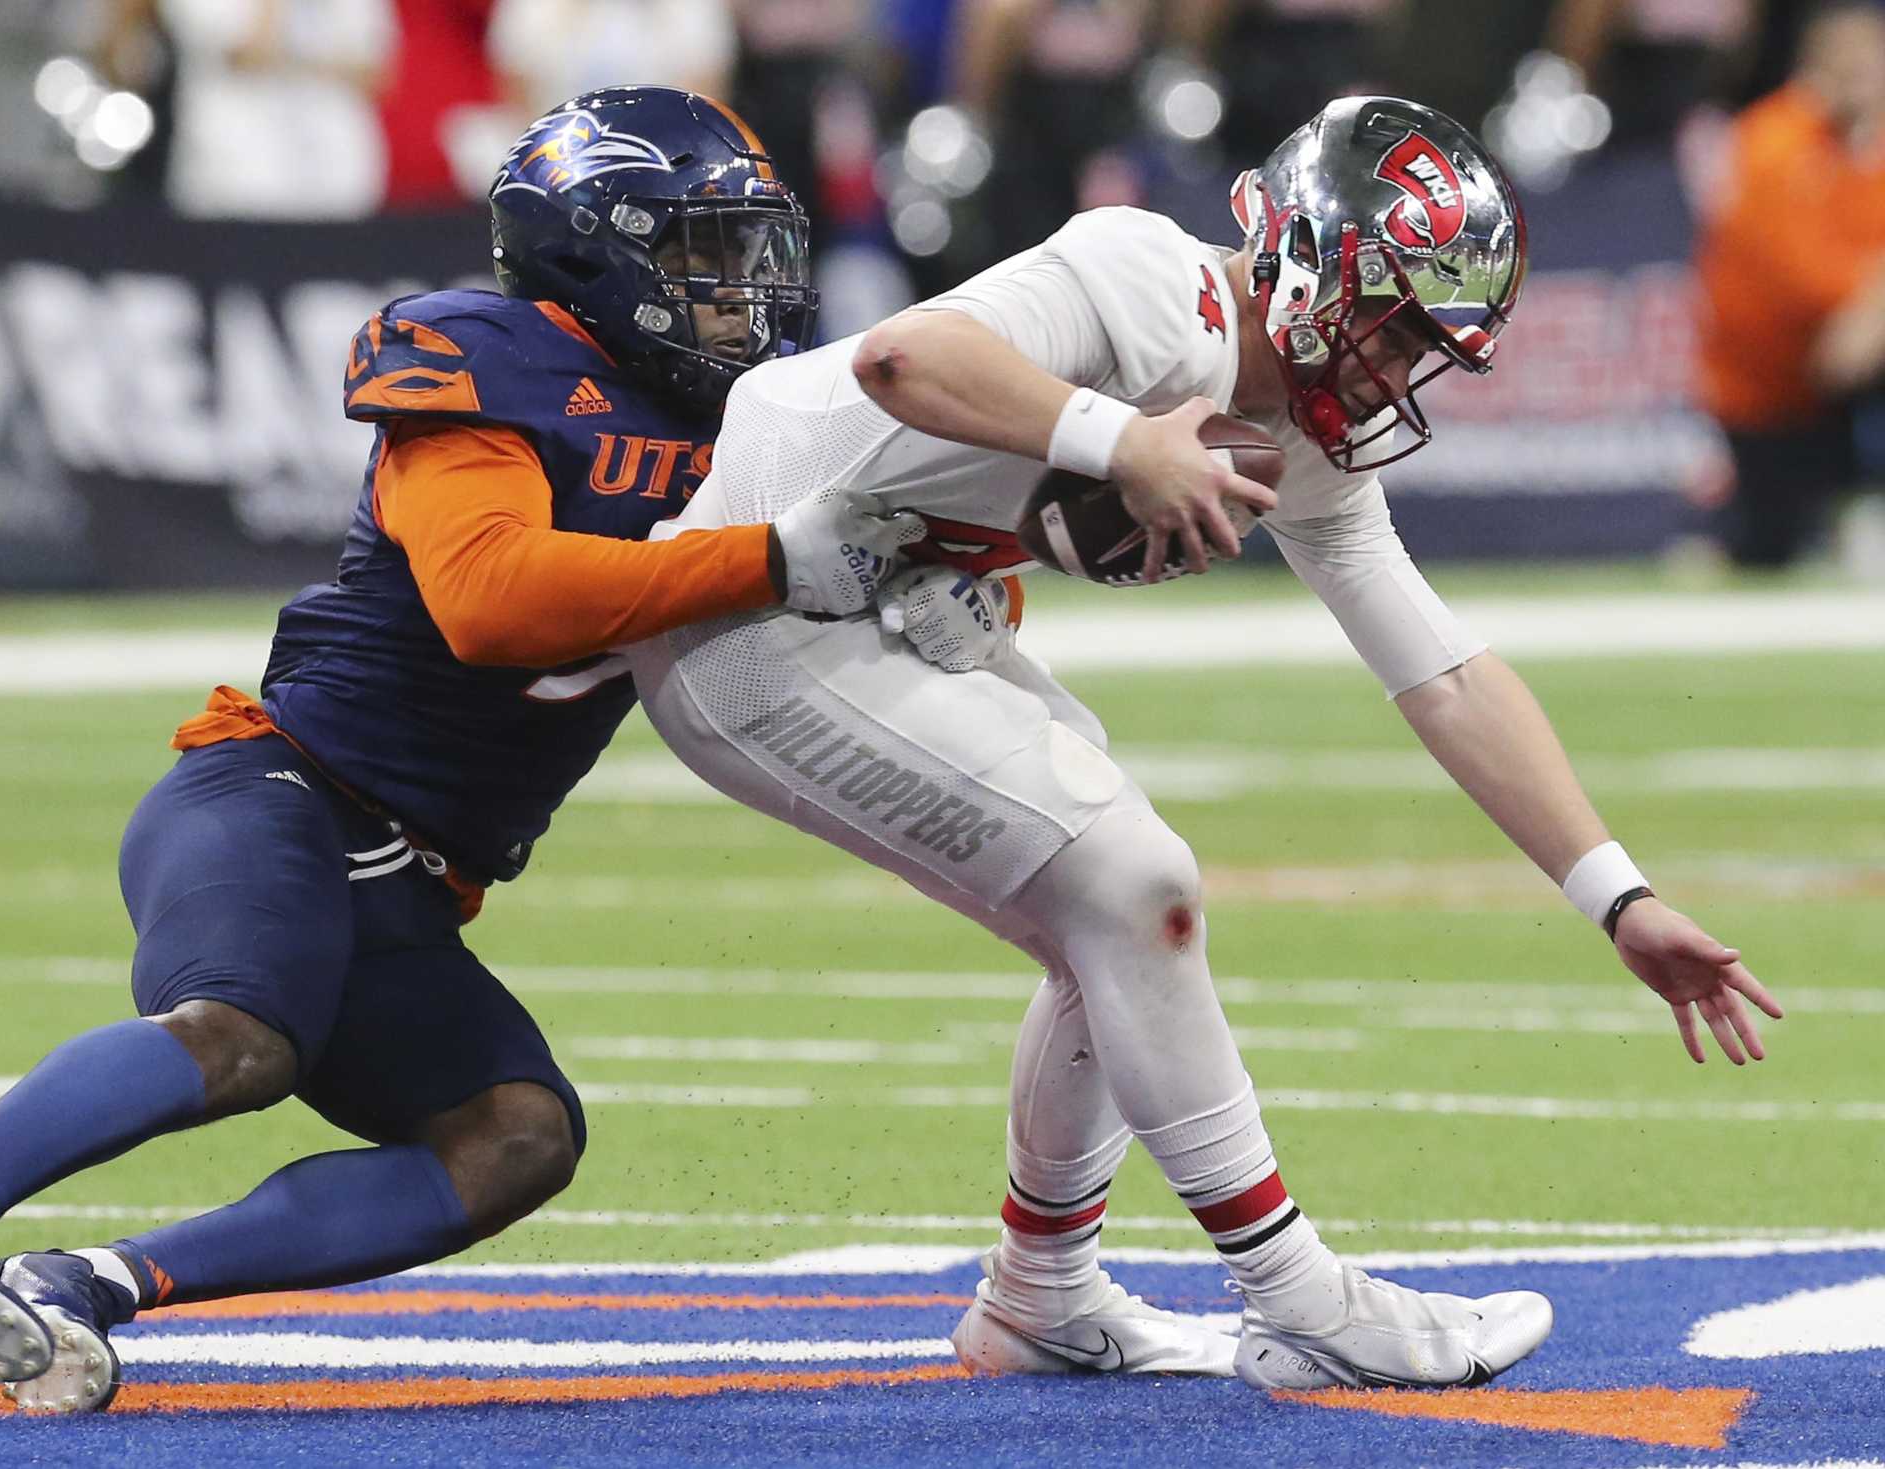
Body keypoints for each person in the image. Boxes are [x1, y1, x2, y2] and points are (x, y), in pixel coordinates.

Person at [625, 94, 1784, 1389]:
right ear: (1307, 257)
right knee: (1134, 883)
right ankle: (1296, 1299)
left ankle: (1039, 1297)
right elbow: (899, 361)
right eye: (1394, 327)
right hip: (749, 603)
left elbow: (1444, 674)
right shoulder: (1139, 278)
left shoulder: (1308, 436)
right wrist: (1119, 439)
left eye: (1426, 349)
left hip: (893, 603)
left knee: (1116, 919)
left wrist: (1616, 895)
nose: (1398, 373)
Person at [0, 85, 918, 1413]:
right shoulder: (486, 358)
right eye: (702, 255)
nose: (740, 292)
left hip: (406, 879)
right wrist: (763, 559)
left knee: (515, 1136)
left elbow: (869, 556)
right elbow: (491, 598)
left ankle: (94, 1284)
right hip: (280, 793)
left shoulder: (744, 430)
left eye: (750, 254)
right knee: (241, 1034)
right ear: (597, 246)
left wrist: (938, 581)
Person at [1694, 0, 1885, 568]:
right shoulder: (1771, 139)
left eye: (1867, 57)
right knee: (1769, 550)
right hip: (1770, 384)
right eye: (1840, 58)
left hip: (1855, 353)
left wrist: (1875, 306)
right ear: (1811, 66)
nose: (1856, 72)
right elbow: (1792, 273)